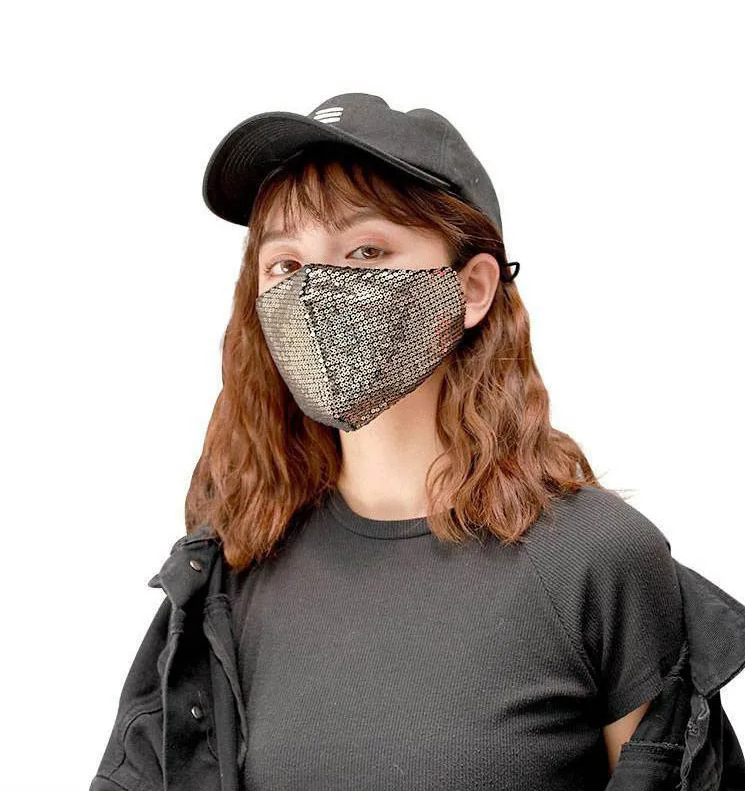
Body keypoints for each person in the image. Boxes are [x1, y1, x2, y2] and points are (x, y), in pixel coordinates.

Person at [96, 93, 696, 790]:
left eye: (366, 251)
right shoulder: (232, 569)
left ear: (473, 289)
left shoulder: (598, 560)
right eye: (284, 264)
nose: (315, 290)